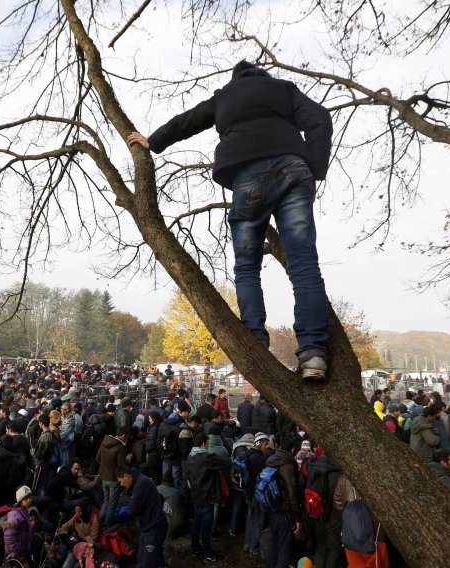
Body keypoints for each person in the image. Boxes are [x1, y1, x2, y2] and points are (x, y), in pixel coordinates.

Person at [128, 60, 333, 378]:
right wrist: (315, 170)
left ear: (237, 79)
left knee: (248, 266)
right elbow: (320, 118)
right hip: (294, 169)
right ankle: (313, 355)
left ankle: (254, 342)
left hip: (248, 174)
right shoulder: (284, 90)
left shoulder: (226, 95)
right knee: (304, 265)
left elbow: (189, 120)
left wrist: (152, 141)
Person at [186, 432, 230, 561]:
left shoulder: (190, 456)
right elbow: (224, 463)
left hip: (195, 495)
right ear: (203, 444)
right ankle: (208, 553)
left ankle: (195, 547)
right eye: (208, 444)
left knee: (196, 522)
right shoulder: (206, 457)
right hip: (207, 496)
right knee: (206, 526)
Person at [117, 466, 168, 568]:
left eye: (121, 481)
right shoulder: (137, 482)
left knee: (148, 563)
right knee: (141, 557)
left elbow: (132, 510)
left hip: (154, 527)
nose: (121, 485)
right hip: (147, 527)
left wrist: (128, 501)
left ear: (127, 476)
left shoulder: (141, 484)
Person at [264, 434, 302, 568]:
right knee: (285, 549)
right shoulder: (288, 466)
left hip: (272, 508)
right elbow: (292, 494)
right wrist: (297, 518)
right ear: (292, 450)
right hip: (285, 513)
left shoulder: (271, 459)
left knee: (274, 544)